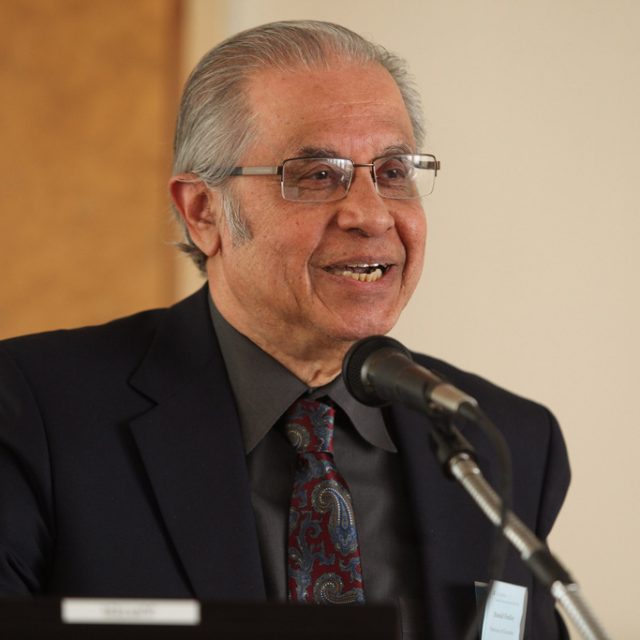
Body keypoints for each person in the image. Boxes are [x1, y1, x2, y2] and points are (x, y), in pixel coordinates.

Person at [0, 20, 570, 639]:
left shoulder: (503, 441)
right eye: (317, 174)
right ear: (203, 211)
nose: (371, 214)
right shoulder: (33, 412)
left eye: (393, 172)